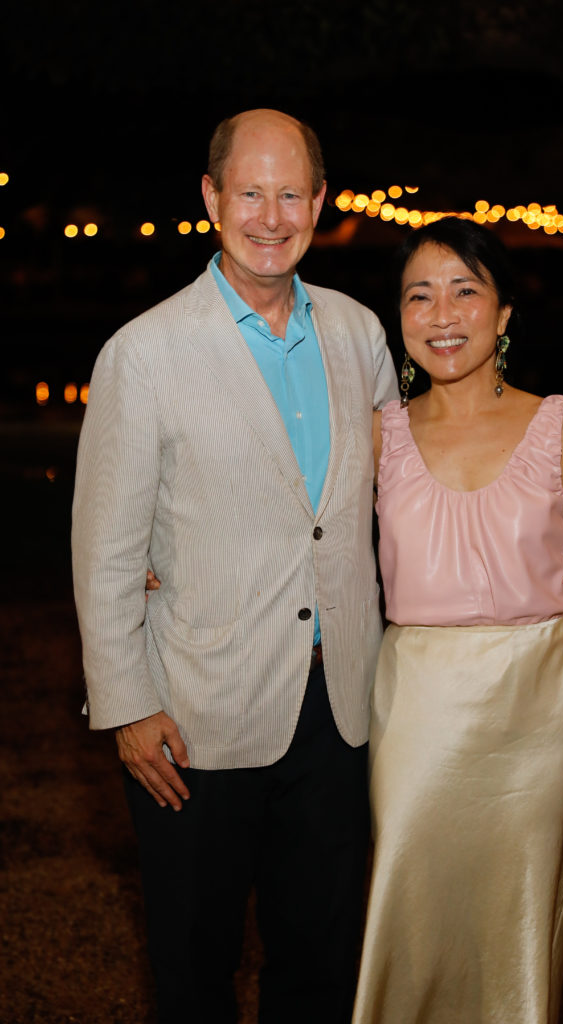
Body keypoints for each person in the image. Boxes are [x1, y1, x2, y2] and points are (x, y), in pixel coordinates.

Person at [71, 108, 397, 1024]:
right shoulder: (144, 354)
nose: (270, 214)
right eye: (248, 191)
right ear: (211, 198)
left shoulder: (358, 333)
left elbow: (391, 494)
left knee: (321, 963)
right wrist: (127, 702)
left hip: (340, 711)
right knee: (192, 967)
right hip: (198, 716)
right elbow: (104, 549)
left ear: (321, 201)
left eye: (290, 192)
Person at [351, 217, 563, 1024]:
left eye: (465, 291)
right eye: (419, 296)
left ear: (502, 314)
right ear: (398, 320)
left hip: (536, 714)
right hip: (415, 712)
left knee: (516, 923)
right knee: (409, 905)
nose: (442, 314)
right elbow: (296, 534)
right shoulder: (377, 435)